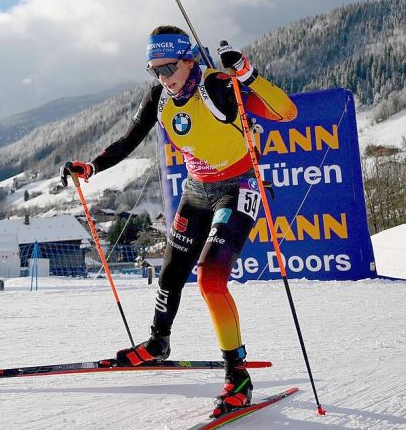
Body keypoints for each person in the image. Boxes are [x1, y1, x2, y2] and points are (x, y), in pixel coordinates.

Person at [60, 25, 297, 416]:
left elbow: (287, 112)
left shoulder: (219, 87)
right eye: (154, 70)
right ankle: (158, 343)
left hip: (239, 186)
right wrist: (92, 167)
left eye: (169, 68)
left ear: (189, 60)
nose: (163, 78)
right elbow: (128, 138)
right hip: (196, 190)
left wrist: (247, 75)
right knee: (171, 273)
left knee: (210, 278)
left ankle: (237, 375)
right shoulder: (159, 96)